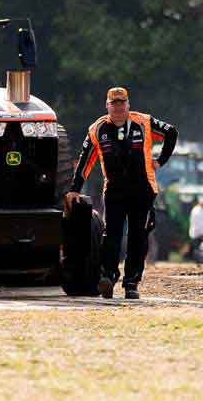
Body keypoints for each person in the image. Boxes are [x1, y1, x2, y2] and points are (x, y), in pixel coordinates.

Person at [66, 86, 177, 299]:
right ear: (107, 106)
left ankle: (131, 283)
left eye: (122, 103)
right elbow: (84, 161)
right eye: (114, 104)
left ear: (128, 104)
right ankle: (107, 277)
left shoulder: (143, 121)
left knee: (138, 236)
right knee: (112, 235)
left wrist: (160, 161)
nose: (118, 108)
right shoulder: (97, 129)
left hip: (143, 190)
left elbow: (171, 132)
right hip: (115, 191)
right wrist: (74, 190)